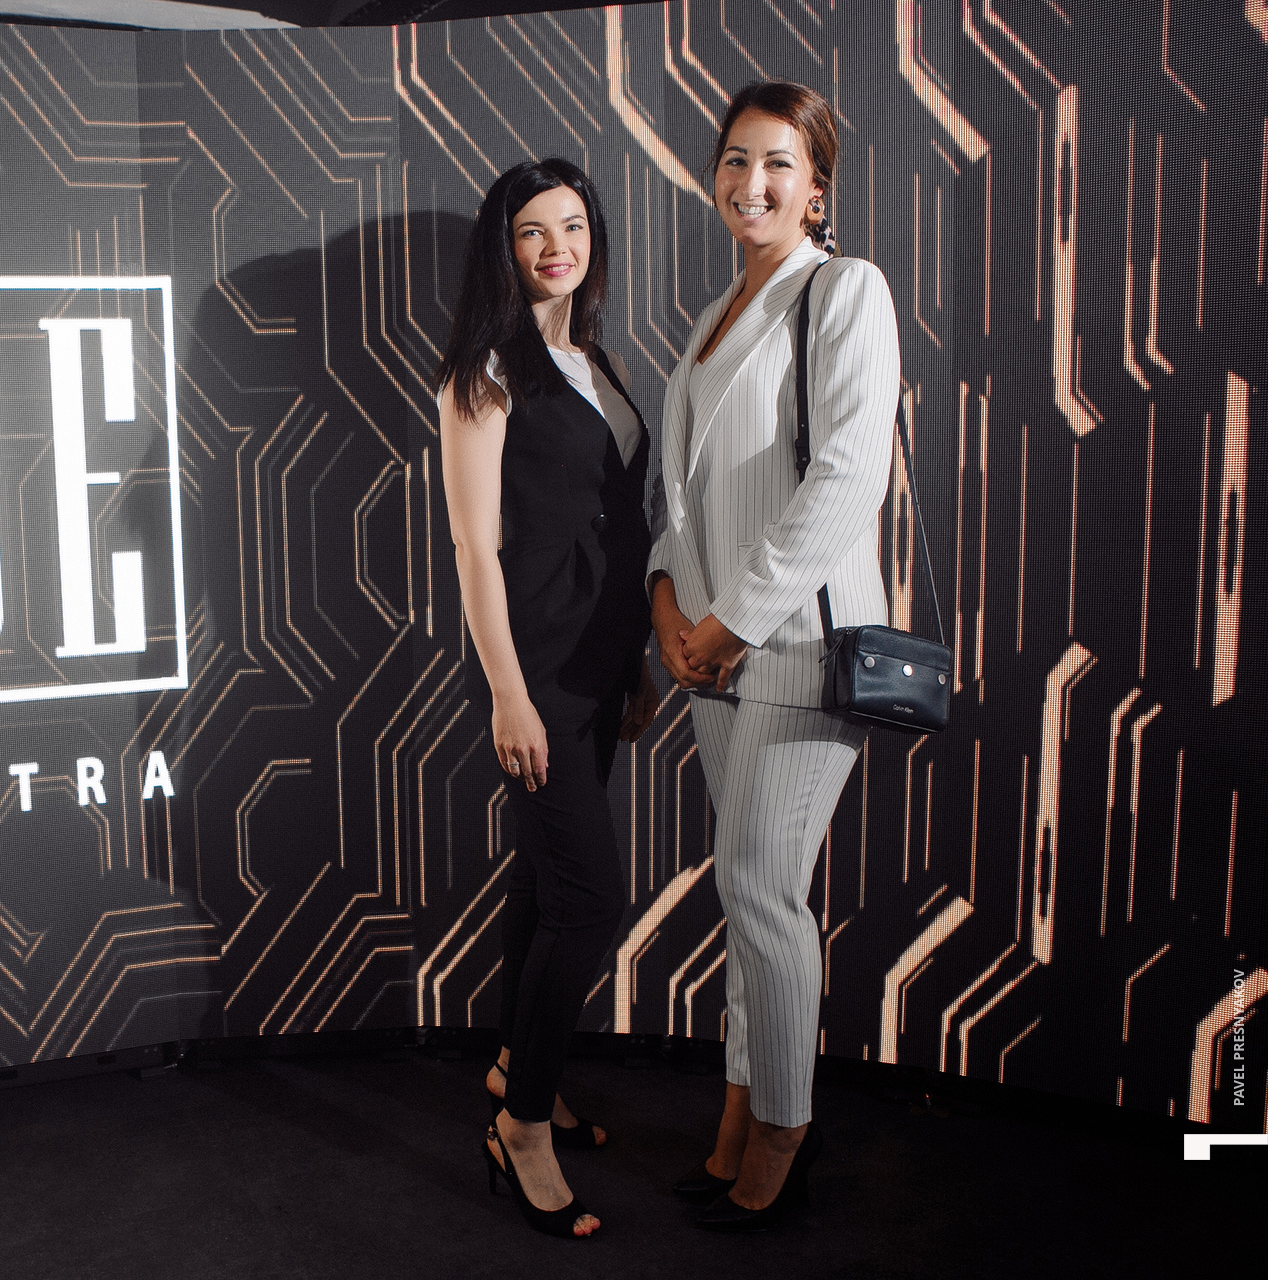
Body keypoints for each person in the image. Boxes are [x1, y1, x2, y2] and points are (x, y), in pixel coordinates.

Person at [647, 80, 899, 1231]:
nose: (753, 182)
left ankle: (788, 1128)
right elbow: (685, 499)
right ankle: (742, 1105)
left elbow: (847, 476)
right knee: (747, 898)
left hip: (798, 638)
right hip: (712, 655)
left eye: (779, 163)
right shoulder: (710, 319)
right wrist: (669, 605)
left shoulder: (843, 290)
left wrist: (732, 620)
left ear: (817, 189)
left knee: (759, 886)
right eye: (736, 160)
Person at [437, 157, 659, 1239]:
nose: (556, 247)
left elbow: (614, 516)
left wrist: (635, 662)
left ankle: (518, 1066)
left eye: (572, 226)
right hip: (534, 671)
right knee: (588, 900)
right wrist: (507, 696)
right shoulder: (484, 371)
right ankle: (521, 1124)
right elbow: (475, 550)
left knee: (541, 883)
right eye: (533, 230)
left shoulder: (593, 358)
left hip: (600, 664)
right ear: (505, 246)